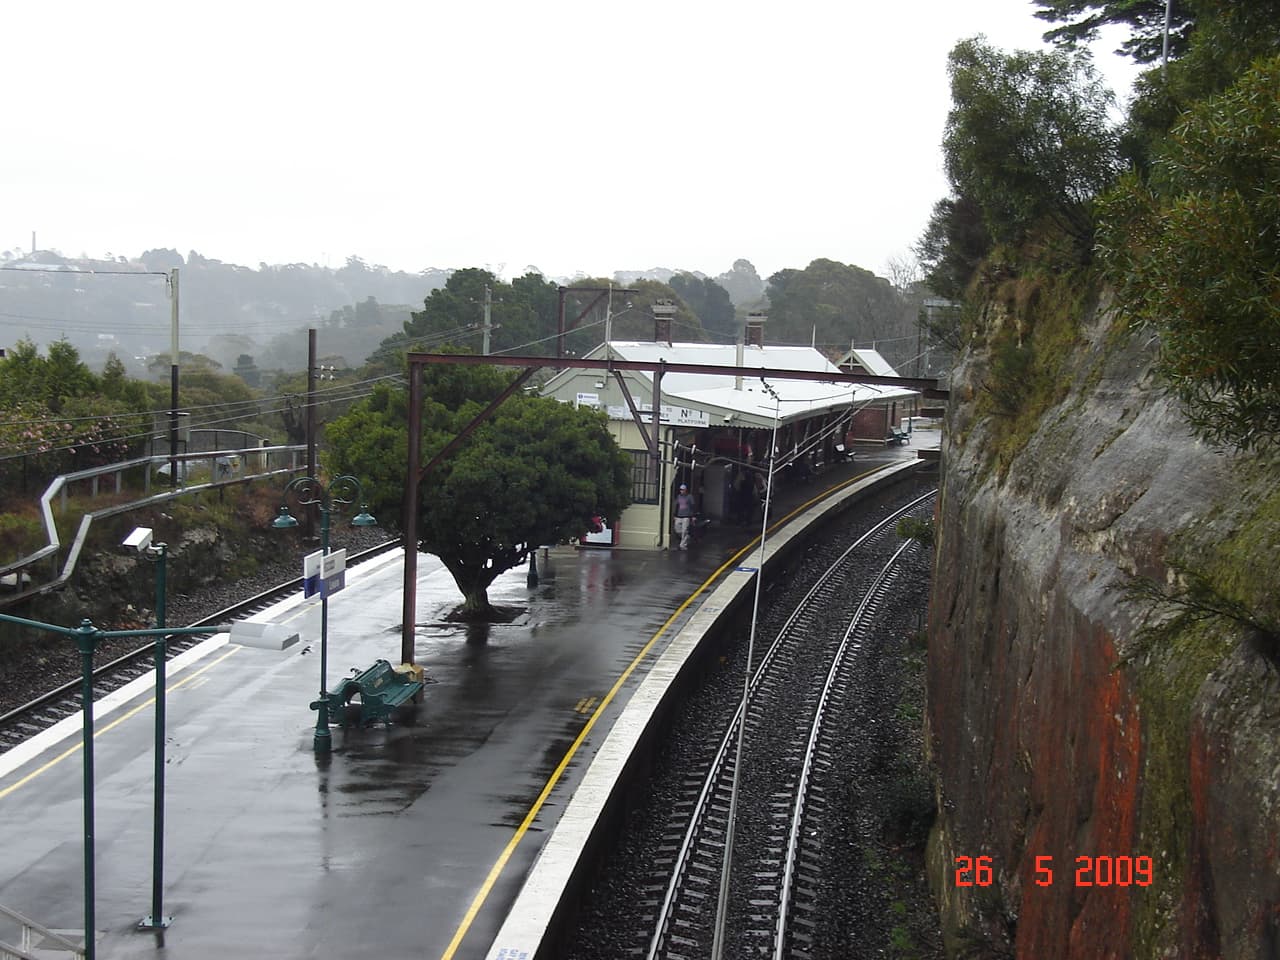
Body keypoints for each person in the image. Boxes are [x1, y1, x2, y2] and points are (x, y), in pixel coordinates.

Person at [674, 483, 696, 550]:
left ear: (686, 490)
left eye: (683, 490)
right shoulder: (679, 496)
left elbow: (693, 506)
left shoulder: (689, 497)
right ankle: (687, 537)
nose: (681, 491)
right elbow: (676, 506)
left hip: (687, 516)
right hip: (679, 515)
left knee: (684, 530)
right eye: (681, 490)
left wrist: (693, 516)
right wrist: (674, 515)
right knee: (677, 529)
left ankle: (682, 545)